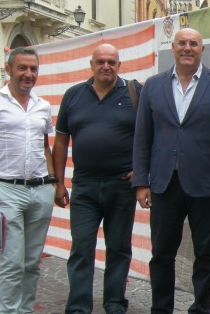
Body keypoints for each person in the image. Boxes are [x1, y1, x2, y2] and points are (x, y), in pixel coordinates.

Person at [132, 27, 210, 314]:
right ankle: (161, 309)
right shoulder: (153, 85)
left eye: (193, 43)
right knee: (162, 253)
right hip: (164, 184)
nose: (187, 48)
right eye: (182, 43)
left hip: (207, 185)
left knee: (205, 253)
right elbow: (142, 137)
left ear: (202, 50)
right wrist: (141, 181)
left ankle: (200, 308)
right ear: (173, 48)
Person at [52, 43, 141, 314]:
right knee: (81, 248)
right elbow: (60, 140)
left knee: (118, 248)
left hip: (122, 186)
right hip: (85, 186)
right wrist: (57, 182)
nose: (106, 66)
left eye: (111, 62)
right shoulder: (73, 95)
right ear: (91, 64)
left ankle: (114, 303)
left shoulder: (135, 93)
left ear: (119, 65)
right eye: (100, 61)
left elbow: (152, 135)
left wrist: (141, 170)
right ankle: (78, 307)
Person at [0, 46, 58, 314]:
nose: (28, 74)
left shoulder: (42, 105)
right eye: (22, 68)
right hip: (8, 191)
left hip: (41, 190)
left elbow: (45, 146)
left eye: (33, 69)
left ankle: (24, 310)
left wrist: (54, 182)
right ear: (9, 69)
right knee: (12, 262)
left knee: (33, 261)